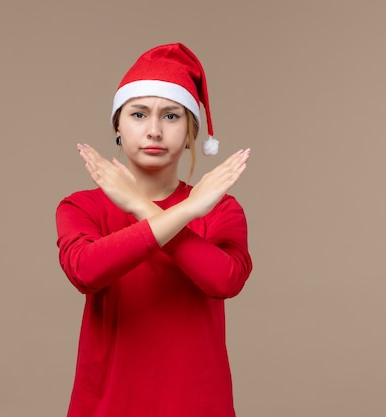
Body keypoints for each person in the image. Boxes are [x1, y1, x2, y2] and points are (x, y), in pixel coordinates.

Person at [55, 42, 253, 417]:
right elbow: (86, 271)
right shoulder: (82, 207)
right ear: (117, 125)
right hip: (107, 406)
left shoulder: (220, 208)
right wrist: (183, 211)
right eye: (139, 114)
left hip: (197, 406)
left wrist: (139, 207)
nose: (154, 131)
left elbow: (225, 280)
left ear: (192, 130)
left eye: (172, 116)